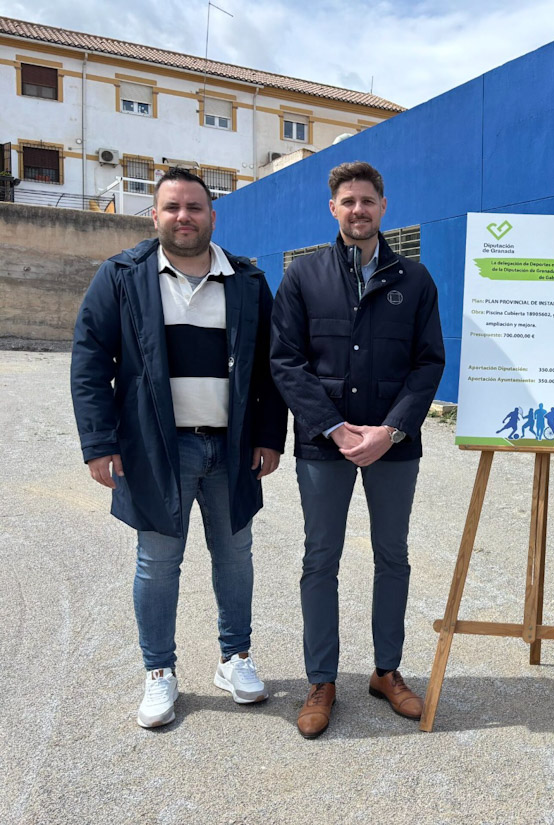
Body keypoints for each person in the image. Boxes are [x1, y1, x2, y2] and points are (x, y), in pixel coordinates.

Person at [70, 167, 287, 728]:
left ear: (213, 215)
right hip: (157, 449)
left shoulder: (246, 281)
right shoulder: (122, 276)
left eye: (194, 207)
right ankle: (159, 671)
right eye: (172, 207)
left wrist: (269, 436)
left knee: (235, 556)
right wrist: (99, 442)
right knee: (158, 562)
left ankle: (234, 658)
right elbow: (90, 361)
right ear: (155, 216)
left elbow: (271, 367)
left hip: (232, 449)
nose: (183, 217)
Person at [270, 161, 445, 739]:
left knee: (392, 556)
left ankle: (386, 671)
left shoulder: (414, 279)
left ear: (383, 206)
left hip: (393, 445)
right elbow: (285, 361)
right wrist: (335, 428)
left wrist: (390, 430)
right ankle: (321, 680)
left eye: (367, 200)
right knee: (320, 559)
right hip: (325, 445)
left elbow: (428, 363)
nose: (358, 210)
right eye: (347, 201)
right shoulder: (304, 275)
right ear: (333, 208)